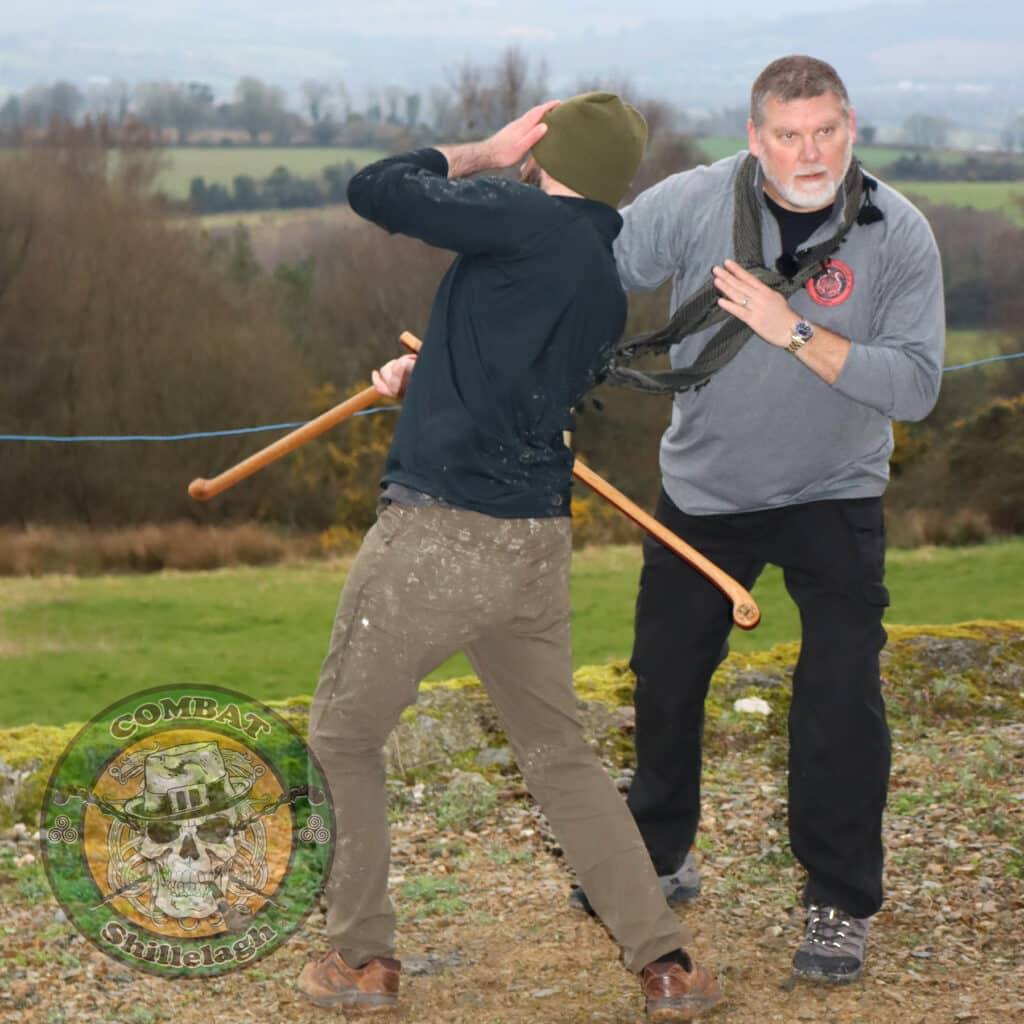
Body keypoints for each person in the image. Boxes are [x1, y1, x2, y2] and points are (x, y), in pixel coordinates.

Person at [297, 93, 721, 1020]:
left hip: (441, 537)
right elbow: (515, 382)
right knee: (558, 756)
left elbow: (377, 189)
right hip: (533, 547)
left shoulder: (523, 216)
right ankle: (666, 965)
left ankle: (363, 961)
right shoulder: (597, 274)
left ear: (547, 151)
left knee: (341, 736)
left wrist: (481, 152)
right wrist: (435, 367)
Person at [571, 56, 945, 984]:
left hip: (837, 491)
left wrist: (794, 329)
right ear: (755, 137)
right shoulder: (694, 204)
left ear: (851, 127)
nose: (809, 151)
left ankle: (839, 899)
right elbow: (581, 272)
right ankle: (659, 852)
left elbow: (918, 385)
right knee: (663, 676)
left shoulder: (898, 233)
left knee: (839, 695)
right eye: (789, 133)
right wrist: (470, 350)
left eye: (826, 131)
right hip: (708, 493)